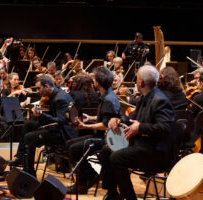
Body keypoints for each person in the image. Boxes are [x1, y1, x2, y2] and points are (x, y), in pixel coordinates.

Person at [100, 65, 175, 200]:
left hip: (155, 151)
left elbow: (165, 129)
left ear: (141, 82)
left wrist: (140, 128)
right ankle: (112, 194)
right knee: (106, 151)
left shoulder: (160, 100)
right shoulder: (144, 98)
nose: (136, 82)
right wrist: (118, 120)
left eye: (137, 79)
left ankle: (130, 198)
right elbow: (131, 119)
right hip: (142, 145)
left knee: (117, 158)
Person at [8, 76, 78, 176]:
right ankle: (20, 157)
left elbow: (60, 121)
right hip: (57, 128)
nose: (37, 91)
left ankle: (29, 173)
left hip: (63, 134)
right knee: (28, 125)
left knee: (29, 137)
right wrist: (41, 113)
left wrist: (41, 114)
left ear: (46, 86)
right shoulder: (54, 94)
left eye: (38, 88)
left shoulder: (60, 98)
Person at [66, 67, 121, 194]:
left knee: (74, 148)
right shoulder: (106, 95)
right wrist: (90, 118)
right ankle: (90, 175)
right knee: (70, 144)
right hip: (102, 136)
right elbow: (105, 118)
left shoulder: (108, 99)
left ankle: (82, 183)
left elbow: (106, 125)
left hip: (106, 139)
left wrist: (85, 126)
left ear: (97, 83)